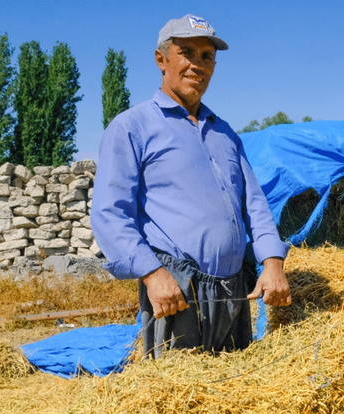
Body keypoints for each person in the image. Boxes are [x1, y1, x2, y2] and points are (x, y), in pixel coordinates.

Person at [91, 14, 291, 358]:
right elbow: (110, 212)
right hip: (177, 291)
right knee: (182, 402)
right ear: (161, 59)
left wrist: (273, 262)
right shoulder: (132, 127)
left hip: (234, 290)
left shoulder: (224, 133)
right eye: (186, 52)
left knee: (236, 391)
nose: (197, 64)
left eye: (207, 56)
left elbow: (255, 206)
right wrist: (152, 274)